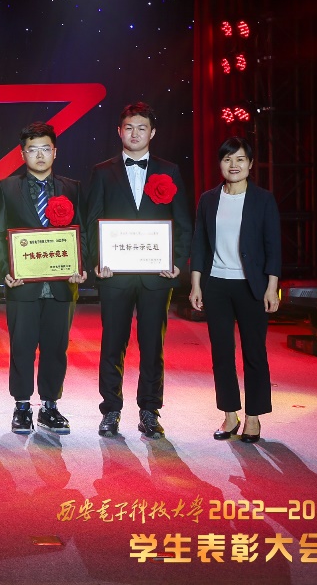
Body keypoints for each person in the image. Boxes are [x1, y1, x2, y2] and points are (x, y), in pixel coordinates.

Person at [83, 102, 192, 439]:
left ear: (152, 132)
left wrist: (176, 262)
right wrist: (96, 261)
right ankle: (110, 410)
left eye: (141, 128)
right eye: (129, 127)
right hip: (115, 275)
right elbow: (92, 221)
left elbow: (183, 223)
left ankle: (149, 410)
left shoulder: (169, 171)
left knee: (152, 345)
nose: (135, 133)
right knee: (112, 343)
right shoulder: (103, 171)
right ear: (119, 132)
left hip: (156, 276)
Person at [0, 122, 88, 435]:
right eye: (32, 150)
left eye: (46, 148)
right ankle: (21, 406)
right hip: (23, 285)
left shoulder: (71, 188)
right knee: (21, 346)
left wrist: (81, 264)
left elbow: (82, 232)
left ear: (55, 152)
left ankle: (50, 406)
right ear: (23, 154)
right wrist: (6, 270)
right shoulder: (7, 188)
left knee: (56, 347)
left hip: (62, 284)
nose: (40, 155)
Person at [189, 136, 281, 444]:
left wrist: (272, 287)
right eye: (228, 159)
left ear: (250, 164)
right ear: (220, 164)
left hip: (251, 286)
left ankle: (253, 417)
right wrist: (196, 284)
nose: (234, 165)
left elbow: (273, 246)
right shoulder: (208, 199)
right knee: (222, 353)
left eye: (240, 159)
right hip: (216, 285)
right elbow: (199, 244)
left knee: (254, 352)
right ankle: (230, 415)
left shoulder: (263, 199)